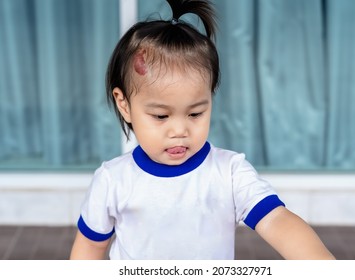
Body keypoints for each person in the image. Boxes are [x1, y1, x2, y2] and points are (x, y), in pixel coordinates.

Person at [70, 0, 335, 260]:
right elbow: (90, 248)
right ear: (124, 105)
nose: (179, 129)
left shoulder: (229, 172)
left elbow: (275, 219)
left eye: (195, 113)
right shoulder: (113, 180)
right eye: (161, 116)